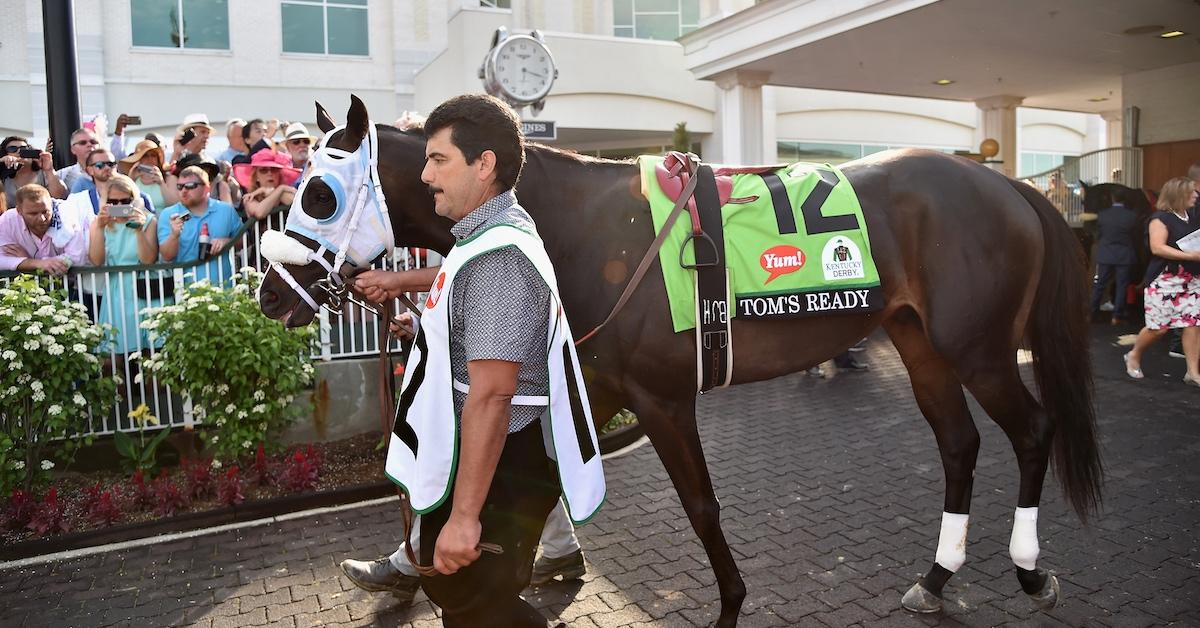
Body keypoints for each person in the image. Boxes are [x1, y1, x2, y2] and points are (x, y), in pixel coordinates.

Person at [350, 94, 603, 627]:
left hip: (501, 466)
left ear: (484, 164)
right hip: (496, 461)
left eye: (438, 159)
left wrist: (464, 518)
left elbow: (492, 393)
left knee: (474, 606)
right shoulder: (483, 241)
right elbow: (476, 336)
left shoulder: (497, 258)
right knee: (468, 604)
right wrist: (427, 330)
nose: (424, 175)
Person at [1123, 177, 1200, 386]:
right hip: (1164, 281)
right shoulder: (1160, 219)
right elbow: (1158, 248)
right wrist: (1192, 256)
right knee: (1159, 328)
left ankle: (1192, 373)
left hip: (1191, 280)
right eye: (1191, 192)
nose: (1196, 195)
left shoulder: (1191, 216)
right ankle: (1134, 354)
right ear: (1178, 195)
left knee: (1193, 324)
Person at [87, 174, 159, 354]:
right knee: (112, 358)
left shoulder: (149, 220)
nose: (119, 207)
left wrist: (138, 229)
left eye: (125, 201)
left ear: (134, 200)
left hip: (145, 290)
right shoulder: (98, 223)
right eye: (113, 202)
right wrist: (99, 227)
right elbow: (96, 261)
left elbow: (148, 259)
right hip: (116, 292)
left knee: (151, 358)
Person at [157, 165, 243, 283]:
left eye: (190, 186)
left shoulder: (226, 210)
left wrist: (226, 241)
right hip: (184, 293)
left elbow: (243, 241)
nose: (184, 191)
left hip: (224, 291)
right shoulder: (168, 214)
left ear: (207, 188)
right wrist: (174, 235)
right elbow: (167, 256)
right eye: (180, 187)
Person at [0, 184, 89, 275]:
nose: (42, 218)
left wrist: (27, 262)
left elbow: (77, 257)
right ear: (19, 211)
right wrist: (35, 263)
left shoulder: (66, 213)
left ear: (51, 204)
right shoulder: (7, 221)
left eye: (45, 212)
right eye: (33, 214)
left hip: (72, 283)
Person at [1089, 187, 1140, 324]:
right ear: (1125, 199)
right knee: (1122, 285)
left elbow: (1098, 234)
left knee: (1099, 284)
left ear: (1112, 198)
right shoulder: (1132, 216)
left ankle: (1091, 313)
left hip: (1105, 254)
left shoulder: (1103, 215)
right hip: (1124, 254)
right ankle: (1117, 316)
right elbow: (1135, 236)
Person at [231, 149, 300, 220]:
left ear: (279, 174)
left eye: (274, 169)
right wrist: (280, 189)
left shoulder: (284, 193)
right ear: (256, 176)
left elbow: (296, 203)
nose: (269, 173)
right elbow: (259, 213)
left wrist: (277, 190)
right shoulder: (250, 198)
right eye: (263, 170)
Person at [2, 137, 67, 207]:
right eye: (12, 149)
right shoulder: (4, 178)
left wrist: (49, 170)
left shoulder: (44, 173)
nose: (19, 152)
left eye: (24, 149)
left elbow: (60, 196)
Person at [118, 139, 169, 211]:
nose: (150, 159)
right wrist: (131, 179)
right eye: (145, 156)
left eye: (153, 155)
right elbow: (123, 205)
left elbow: (173, 204)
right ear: (138, 160)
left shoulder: (168, 178)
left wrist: (162, 183)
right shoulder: (133, 180)